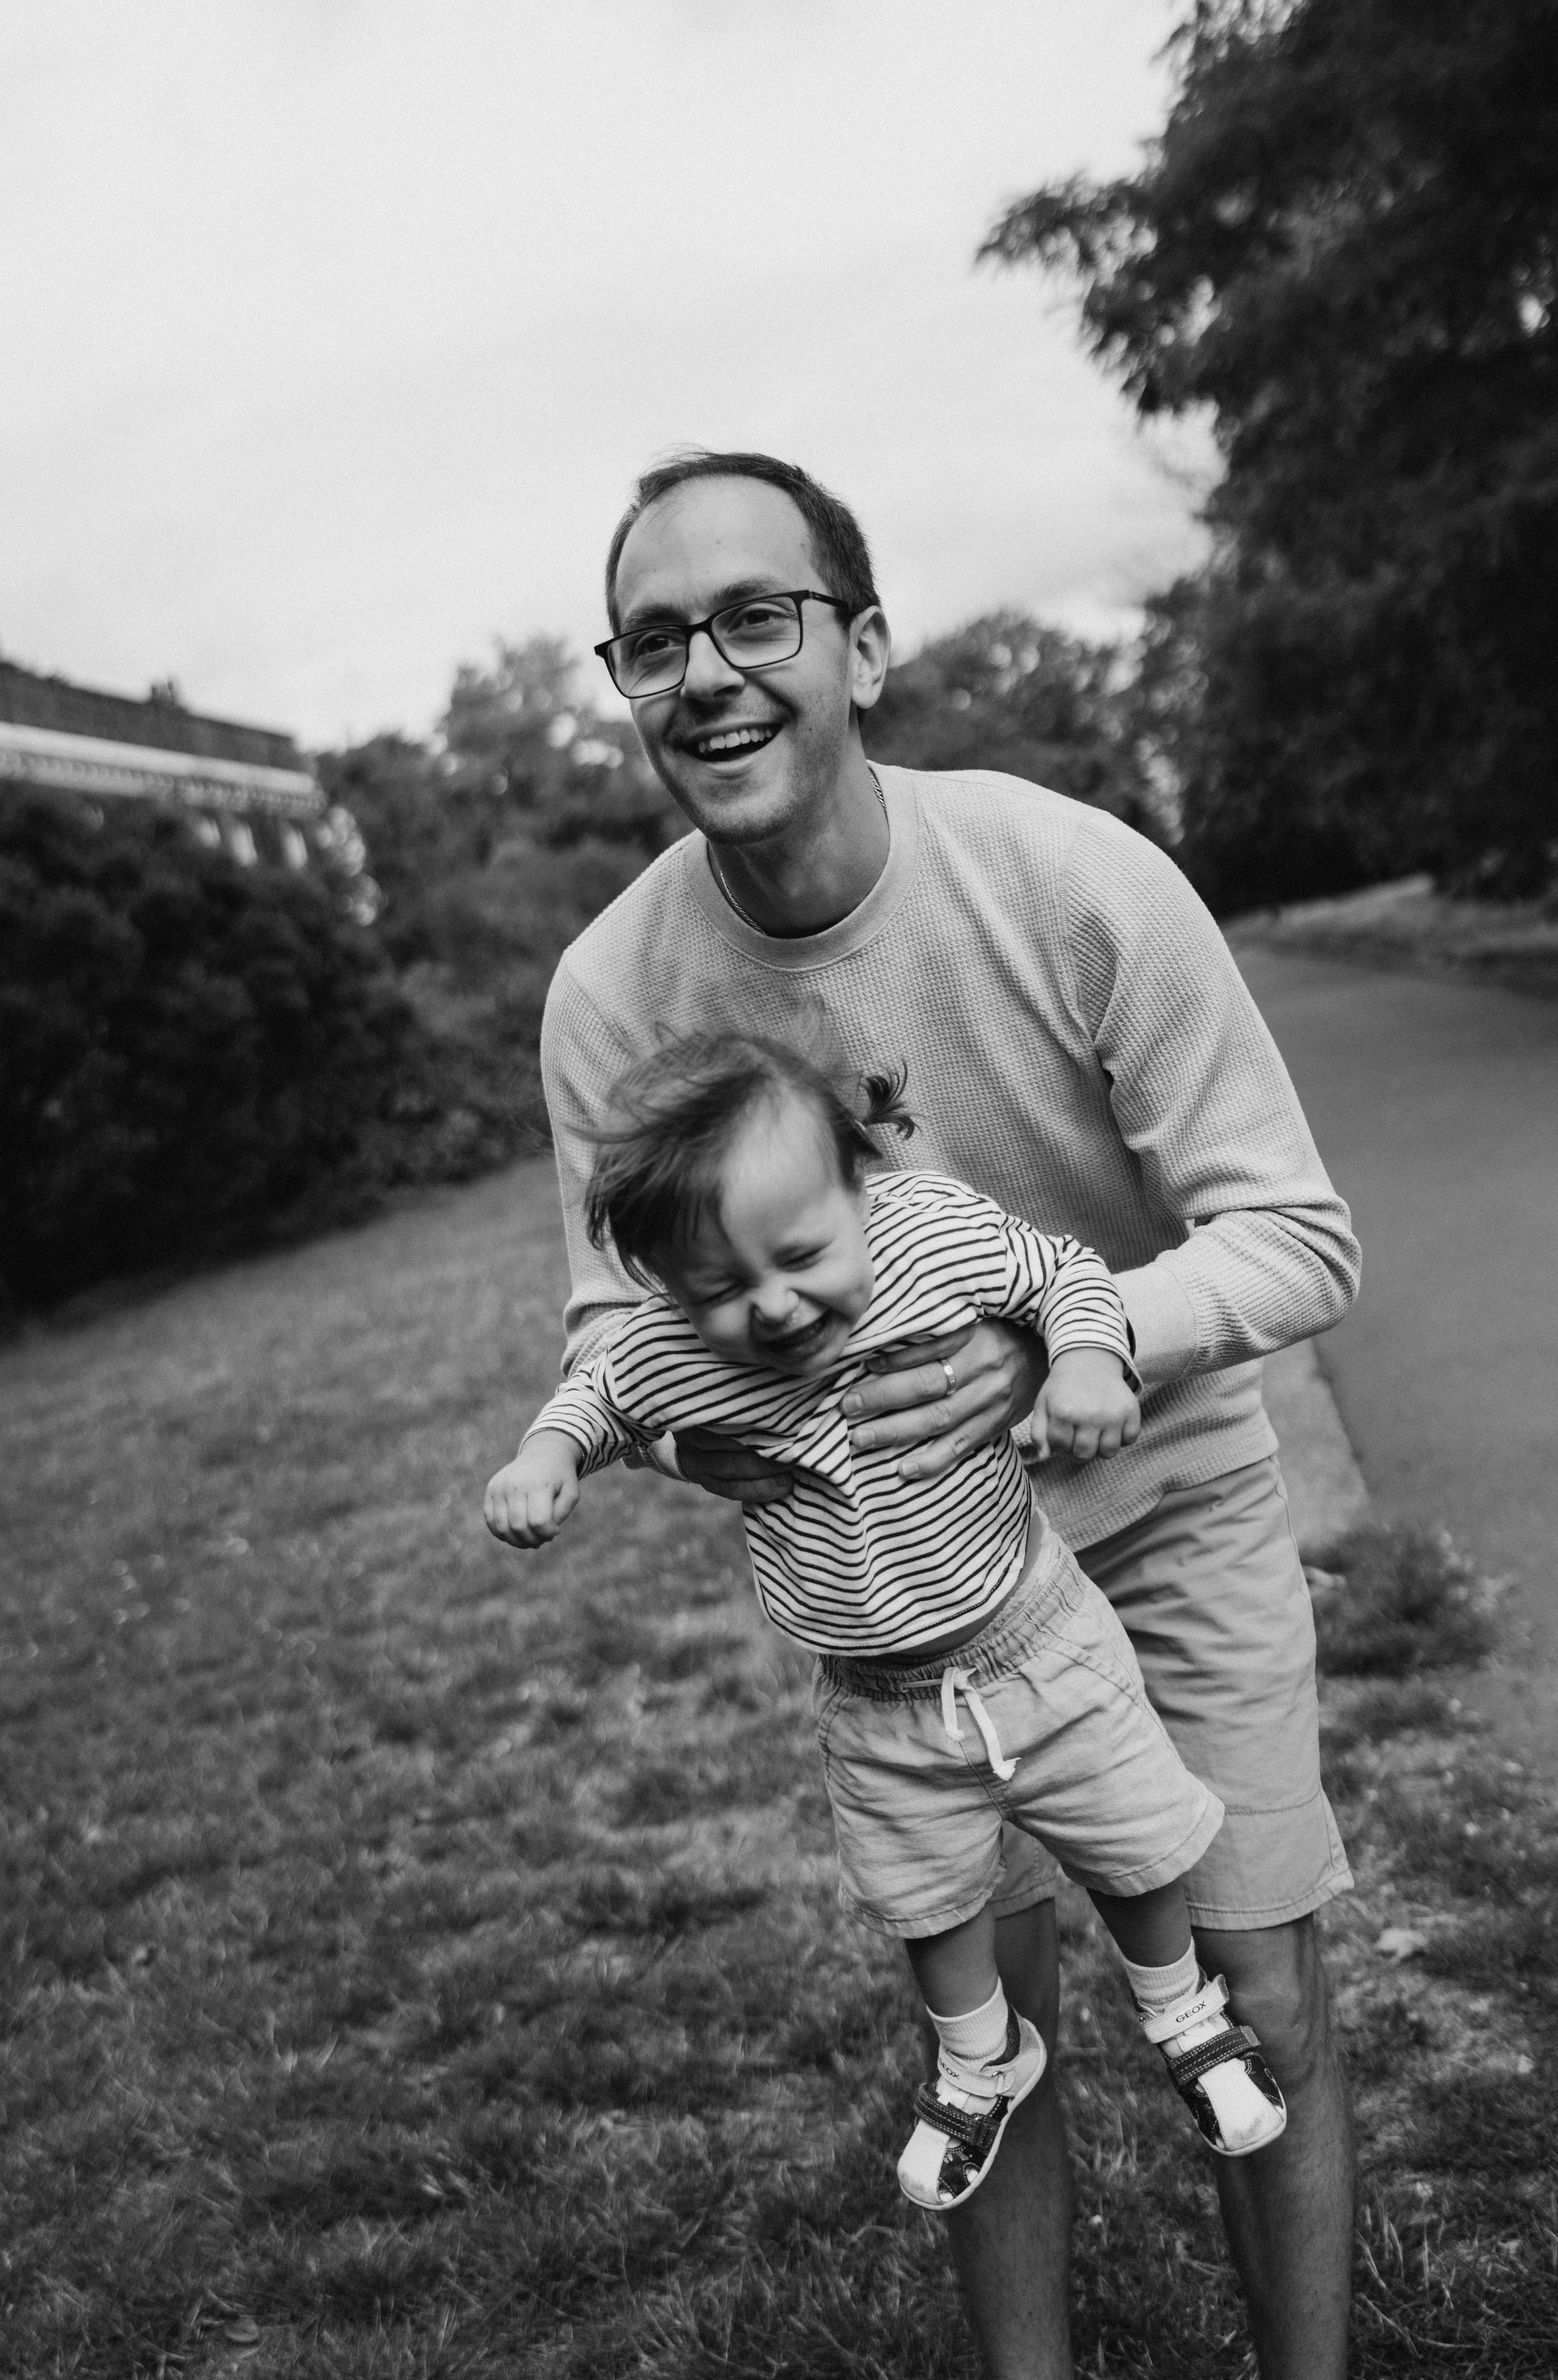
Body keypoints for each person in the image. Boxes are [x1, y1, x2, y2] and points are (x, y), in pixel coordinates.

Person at [536, 449, 1361, 2379]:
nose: (710, 674)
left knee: (1261, 1975)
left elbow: (1300, 1238)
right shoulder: (611, 993)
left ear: (867, 646)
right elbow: (610, 1328)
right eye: (656, 642)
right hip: (904, 1590)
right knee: (980, 2018)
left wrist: (1059, 1352)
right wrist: (678, 1419)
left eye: (760, 616)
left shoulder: (1065, 875)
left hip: (1154, 1492)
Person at [486, 1032, 1290, 2209]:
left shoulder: (930, 1235)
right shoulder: (665, 1340)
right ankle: (981, 2058)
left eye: (802, 1253)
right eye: (720, 1289)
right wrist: (545, 1455)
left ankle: (1183, 2009)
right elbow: (598, 1390)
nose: (771, 1305)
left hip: (1034, 1637)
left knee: (1137, 1837)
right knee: (928, 1897)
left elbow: (1063, 1275)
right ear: (669, 1285)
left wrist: (1083, 1364)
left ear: (860, 1190)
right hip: (874, 1697)